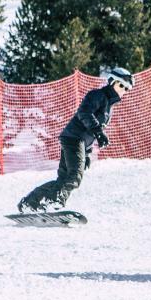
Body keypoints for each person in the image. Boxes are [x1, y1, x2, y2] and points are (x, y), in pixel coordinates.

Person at [18, 66, 132, 212]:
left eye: (126, 88)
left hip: (76, 140)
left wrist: (87, 153)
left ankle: (30, 202)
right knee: (74, 177)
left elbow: (90, 133)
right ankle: (54, 203)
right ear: (112, 82)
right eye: (121, 85)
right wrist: (98, 132)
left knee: (63, 179)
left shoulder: (109, 107)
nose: (123, 90)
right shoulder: (97, 95)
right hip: (74, 138)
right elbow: (84, 113)